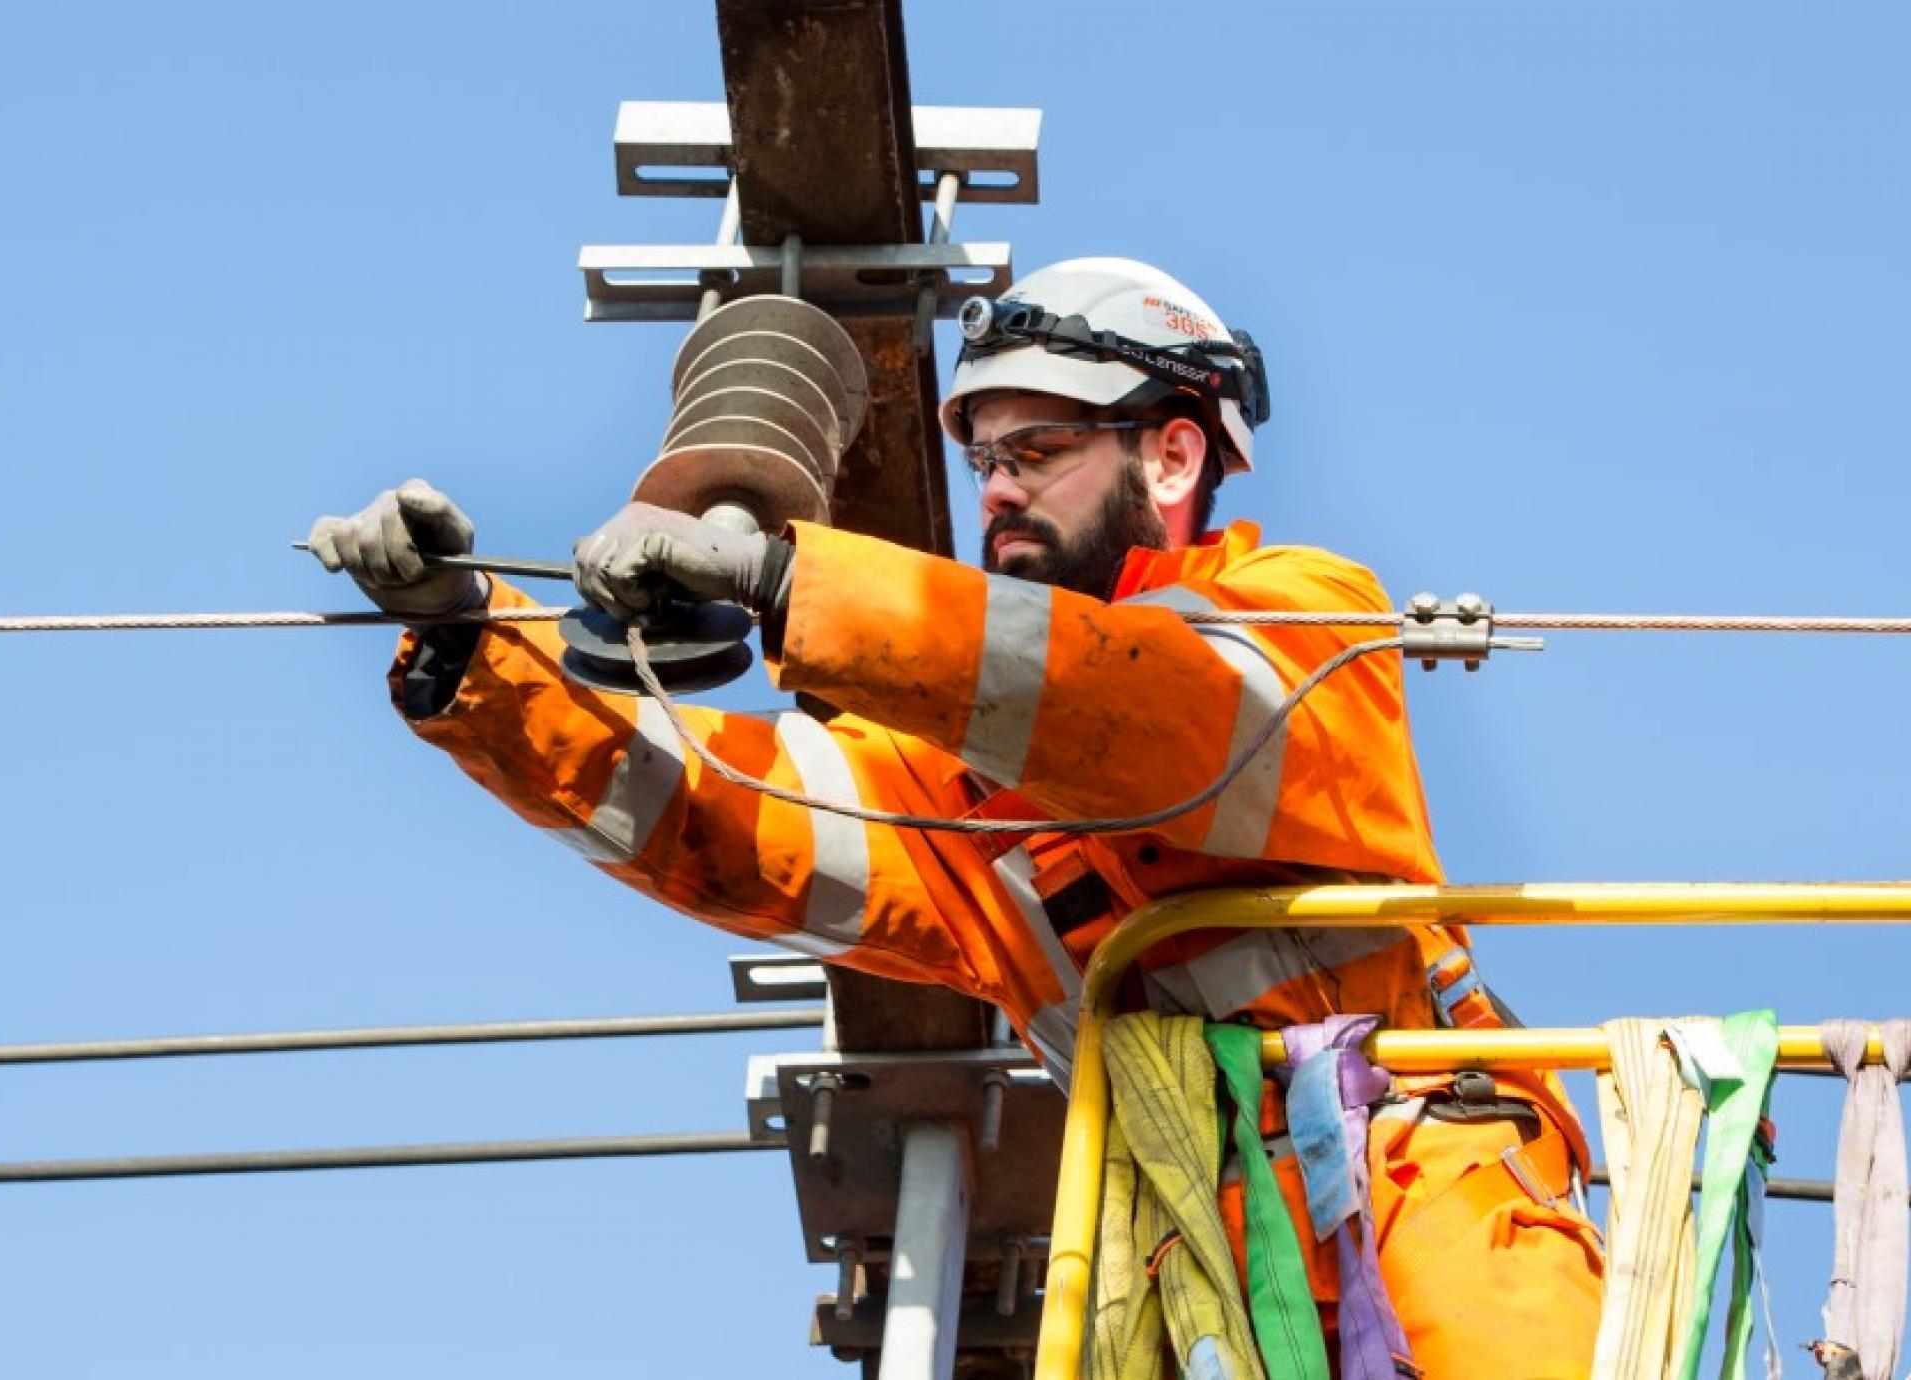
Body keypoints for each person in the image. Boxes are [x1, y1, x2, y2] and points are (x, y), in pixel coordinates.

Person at [310, 258, 1603, 1376]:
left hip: (1427, 1199)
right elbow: (714, 820)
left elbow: (1157, 713)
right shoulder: (955, 791)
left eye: (1037, 452)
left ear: (1172, 453)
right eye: (984, 458)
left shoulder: (1302, 617)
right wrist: (476, 644)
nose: (994, 491)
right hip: (1188, 1268)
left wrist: (790, 580)